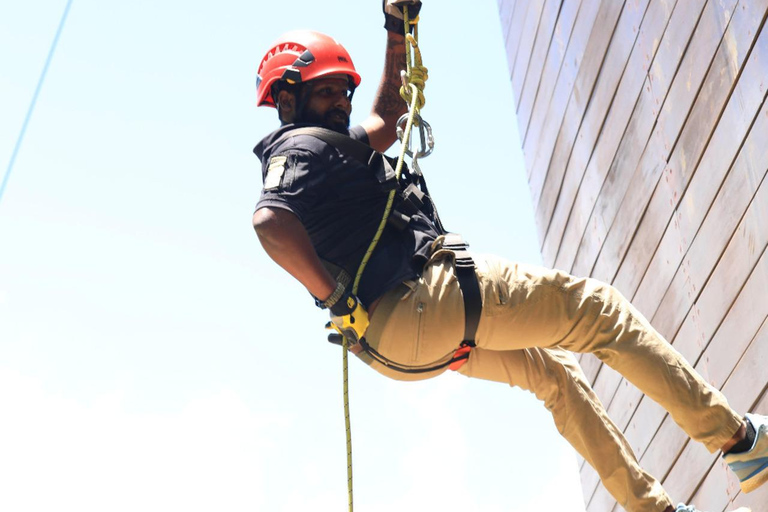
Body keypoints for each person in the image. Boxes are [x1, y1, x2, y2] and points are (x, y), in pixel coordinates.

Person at [251, 2, 768, 511]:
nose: (341, 102)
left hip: (396, 345)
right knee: (598, 310)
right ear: (287, 99)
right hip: (420, 303)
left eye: (344, 90)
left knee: (555, 375)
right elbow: (270, 222)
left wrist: (395, 28)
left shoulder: (331, 146)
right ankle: (739, 440)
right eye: (325, 91)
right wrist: (335, 298)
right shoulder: (299, 150)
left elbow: (388, 117)